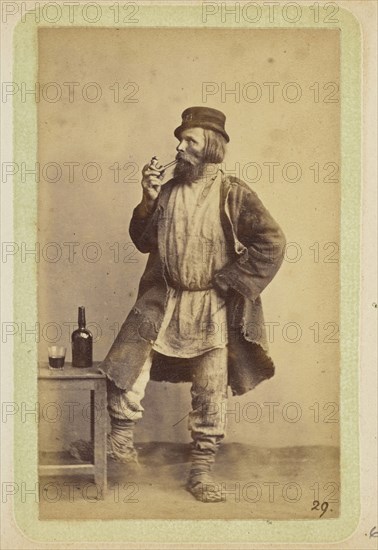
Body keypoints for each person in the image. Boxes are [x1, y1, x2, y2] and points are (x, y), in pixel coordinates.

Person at [99, 106, 286, 503]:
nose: (180, 148)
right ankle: (118, 447)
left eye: (190, 141)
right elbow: (143, 240)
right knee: (128, 370)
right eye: (180, 141)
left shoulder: (233, 192)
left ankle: (201, 471)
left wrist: (230, 282)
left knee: (210, 389)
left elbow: (272, 242)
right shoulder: (167, 189)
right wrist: (148, 199)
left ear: (211, 148)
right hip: (163, 301)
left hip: (212, 307)